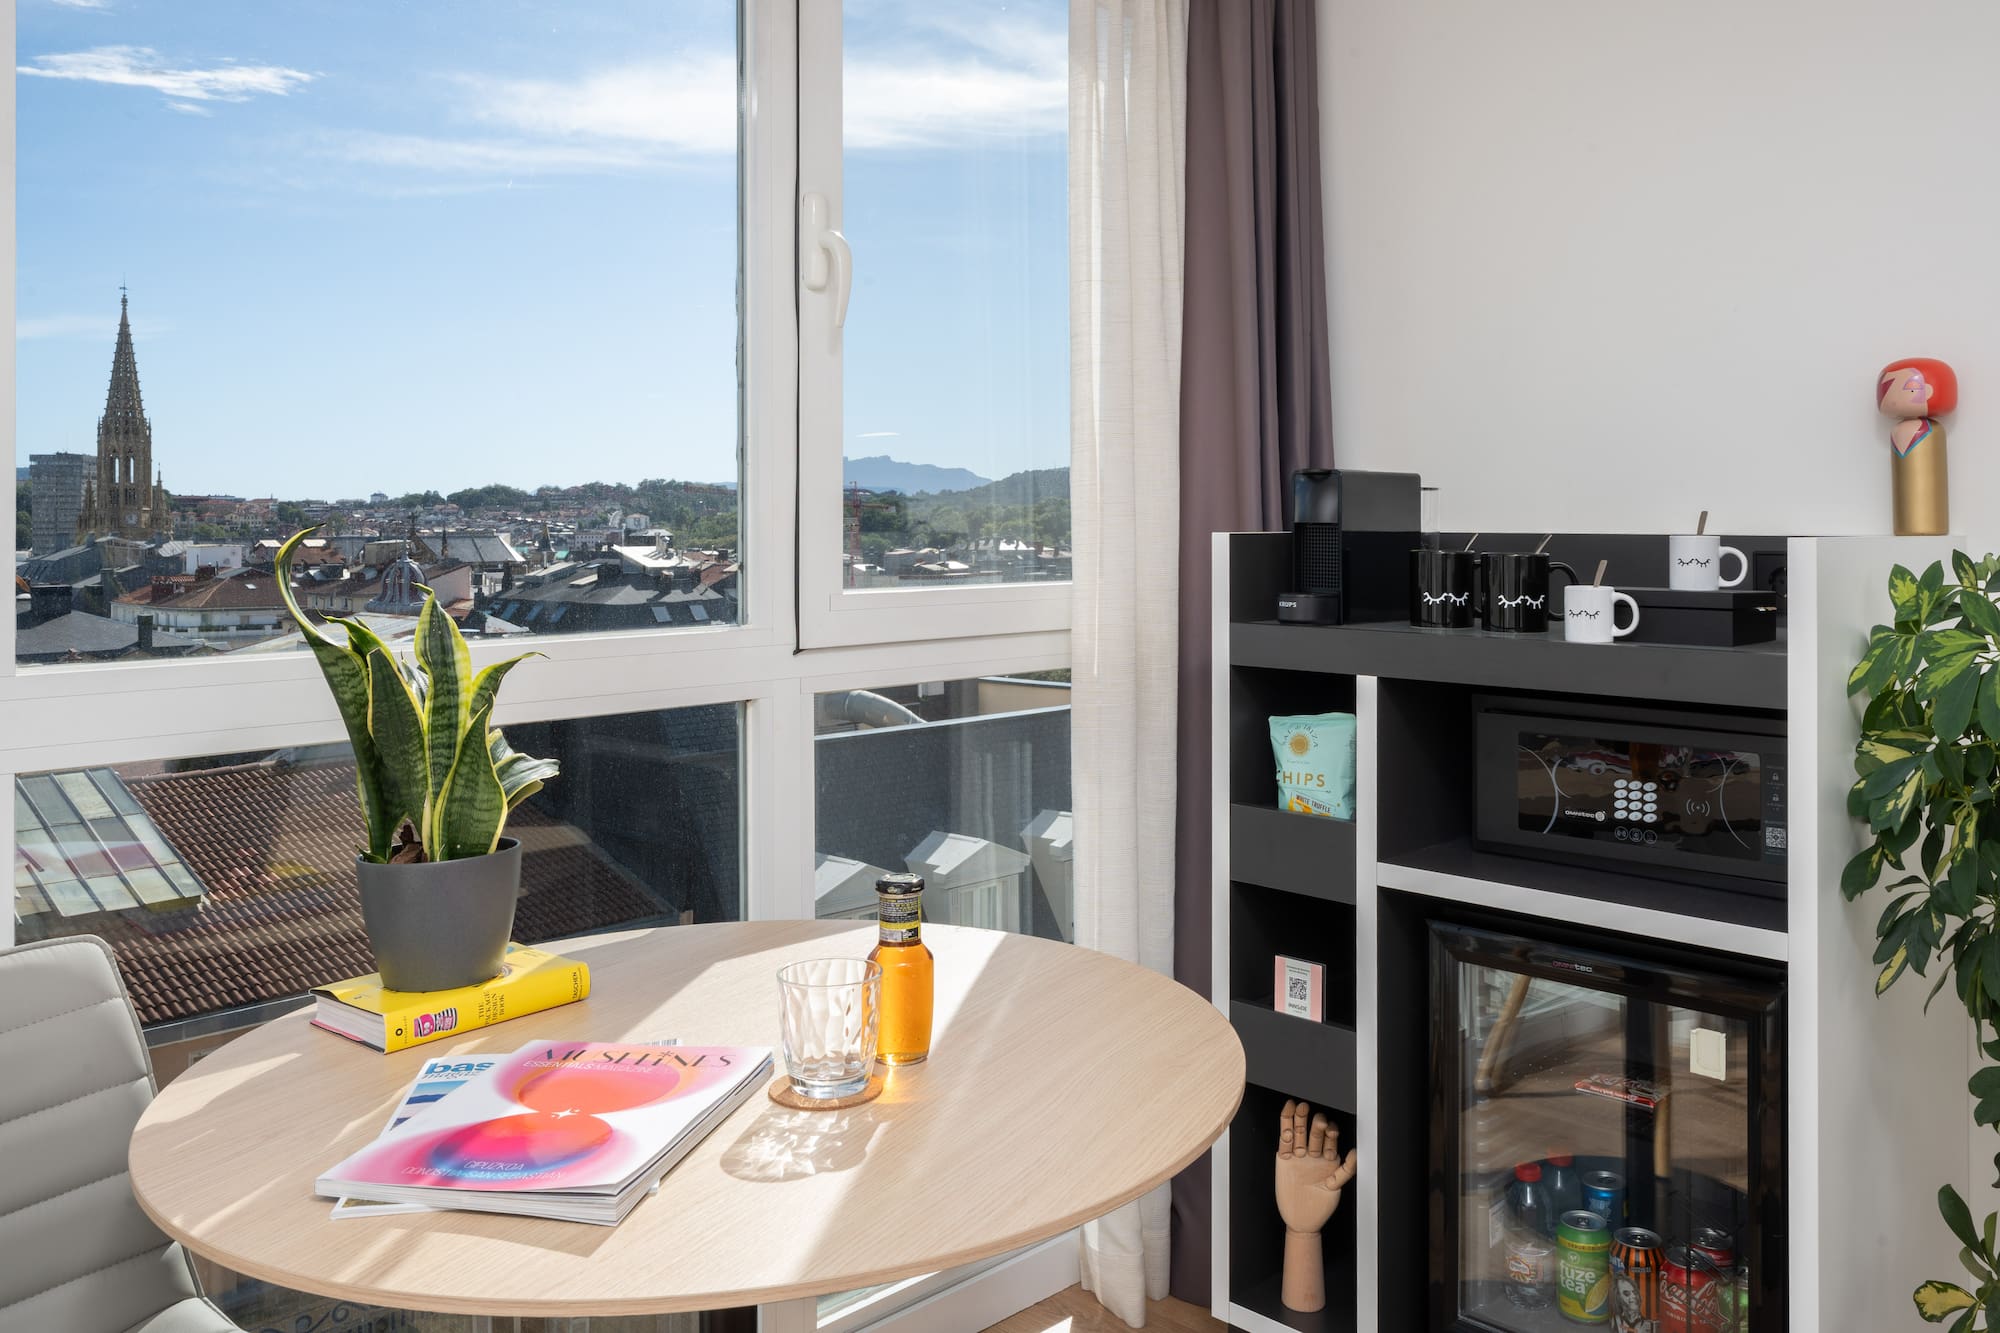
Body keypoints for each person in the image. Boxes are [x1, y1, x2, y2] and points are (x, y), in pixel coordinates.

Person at [1878, 357, 1958, 534]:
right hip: (1903, 526)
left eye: (1910, 388)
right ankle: (1910, 525)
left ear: (1929, 390)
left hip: (1935, 525)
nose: (1891, 399)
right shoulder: (1899, 431)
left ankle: (1927, 524)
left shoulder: (1934, 431)